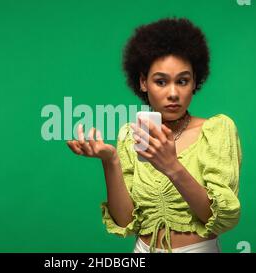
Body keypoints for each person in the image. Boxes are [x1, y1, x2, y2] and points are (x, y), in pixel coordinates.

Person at [66, 17, 242, 253]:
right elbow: (125, 221)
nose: (172, 93)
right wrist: (111, 161)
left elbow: (221, 219)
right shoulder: (131, 136)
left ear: (194, 83)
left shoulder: (216, 130)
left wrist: (172, 166)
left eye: (182, 81)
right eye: (161, 81)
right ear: (143, 82)